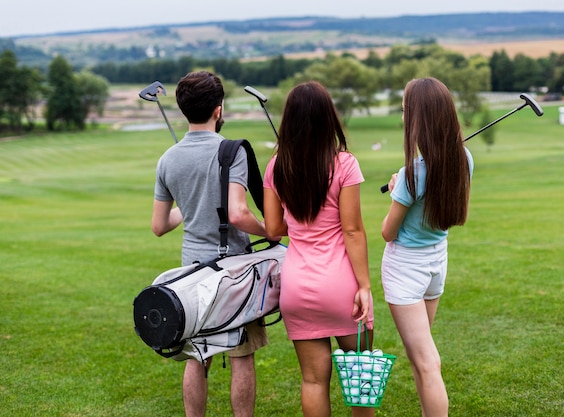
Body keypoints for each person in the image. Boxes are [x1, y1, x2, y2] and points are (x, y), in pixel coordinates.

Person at [151, 70, 275, 417]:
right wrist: (269, 231)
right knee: (242, 356)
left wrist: (189, 208)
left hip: (190, 274)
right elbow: (238, 214)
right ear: (218, 110)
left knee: (195, 357)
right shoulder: (231, 151)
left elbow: (159, 225)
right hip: (233, 272)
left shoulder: (167, 159)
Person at [263, 81, 375, 417]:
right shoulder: (344, 164)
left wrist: (297, 217)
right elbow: (352, 230)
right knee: (360, 378)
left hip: (298, 287)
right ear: (329, 117)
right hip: (341, 285)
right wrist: (365, 285)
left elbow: (273, 230)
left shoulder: (277, 166)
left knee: (313, 381)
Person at [381, 77, 474, 417]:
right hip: (437, 264)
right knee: (423, 358)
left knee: (426, 362)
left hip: (406, 267)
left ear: (419, 118)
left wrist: (398, 191)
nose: (403, 117)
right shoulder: (464, 158)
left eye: (406, 111)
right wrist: (404, 185)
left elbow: (388, 233)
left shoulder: (412, 175)